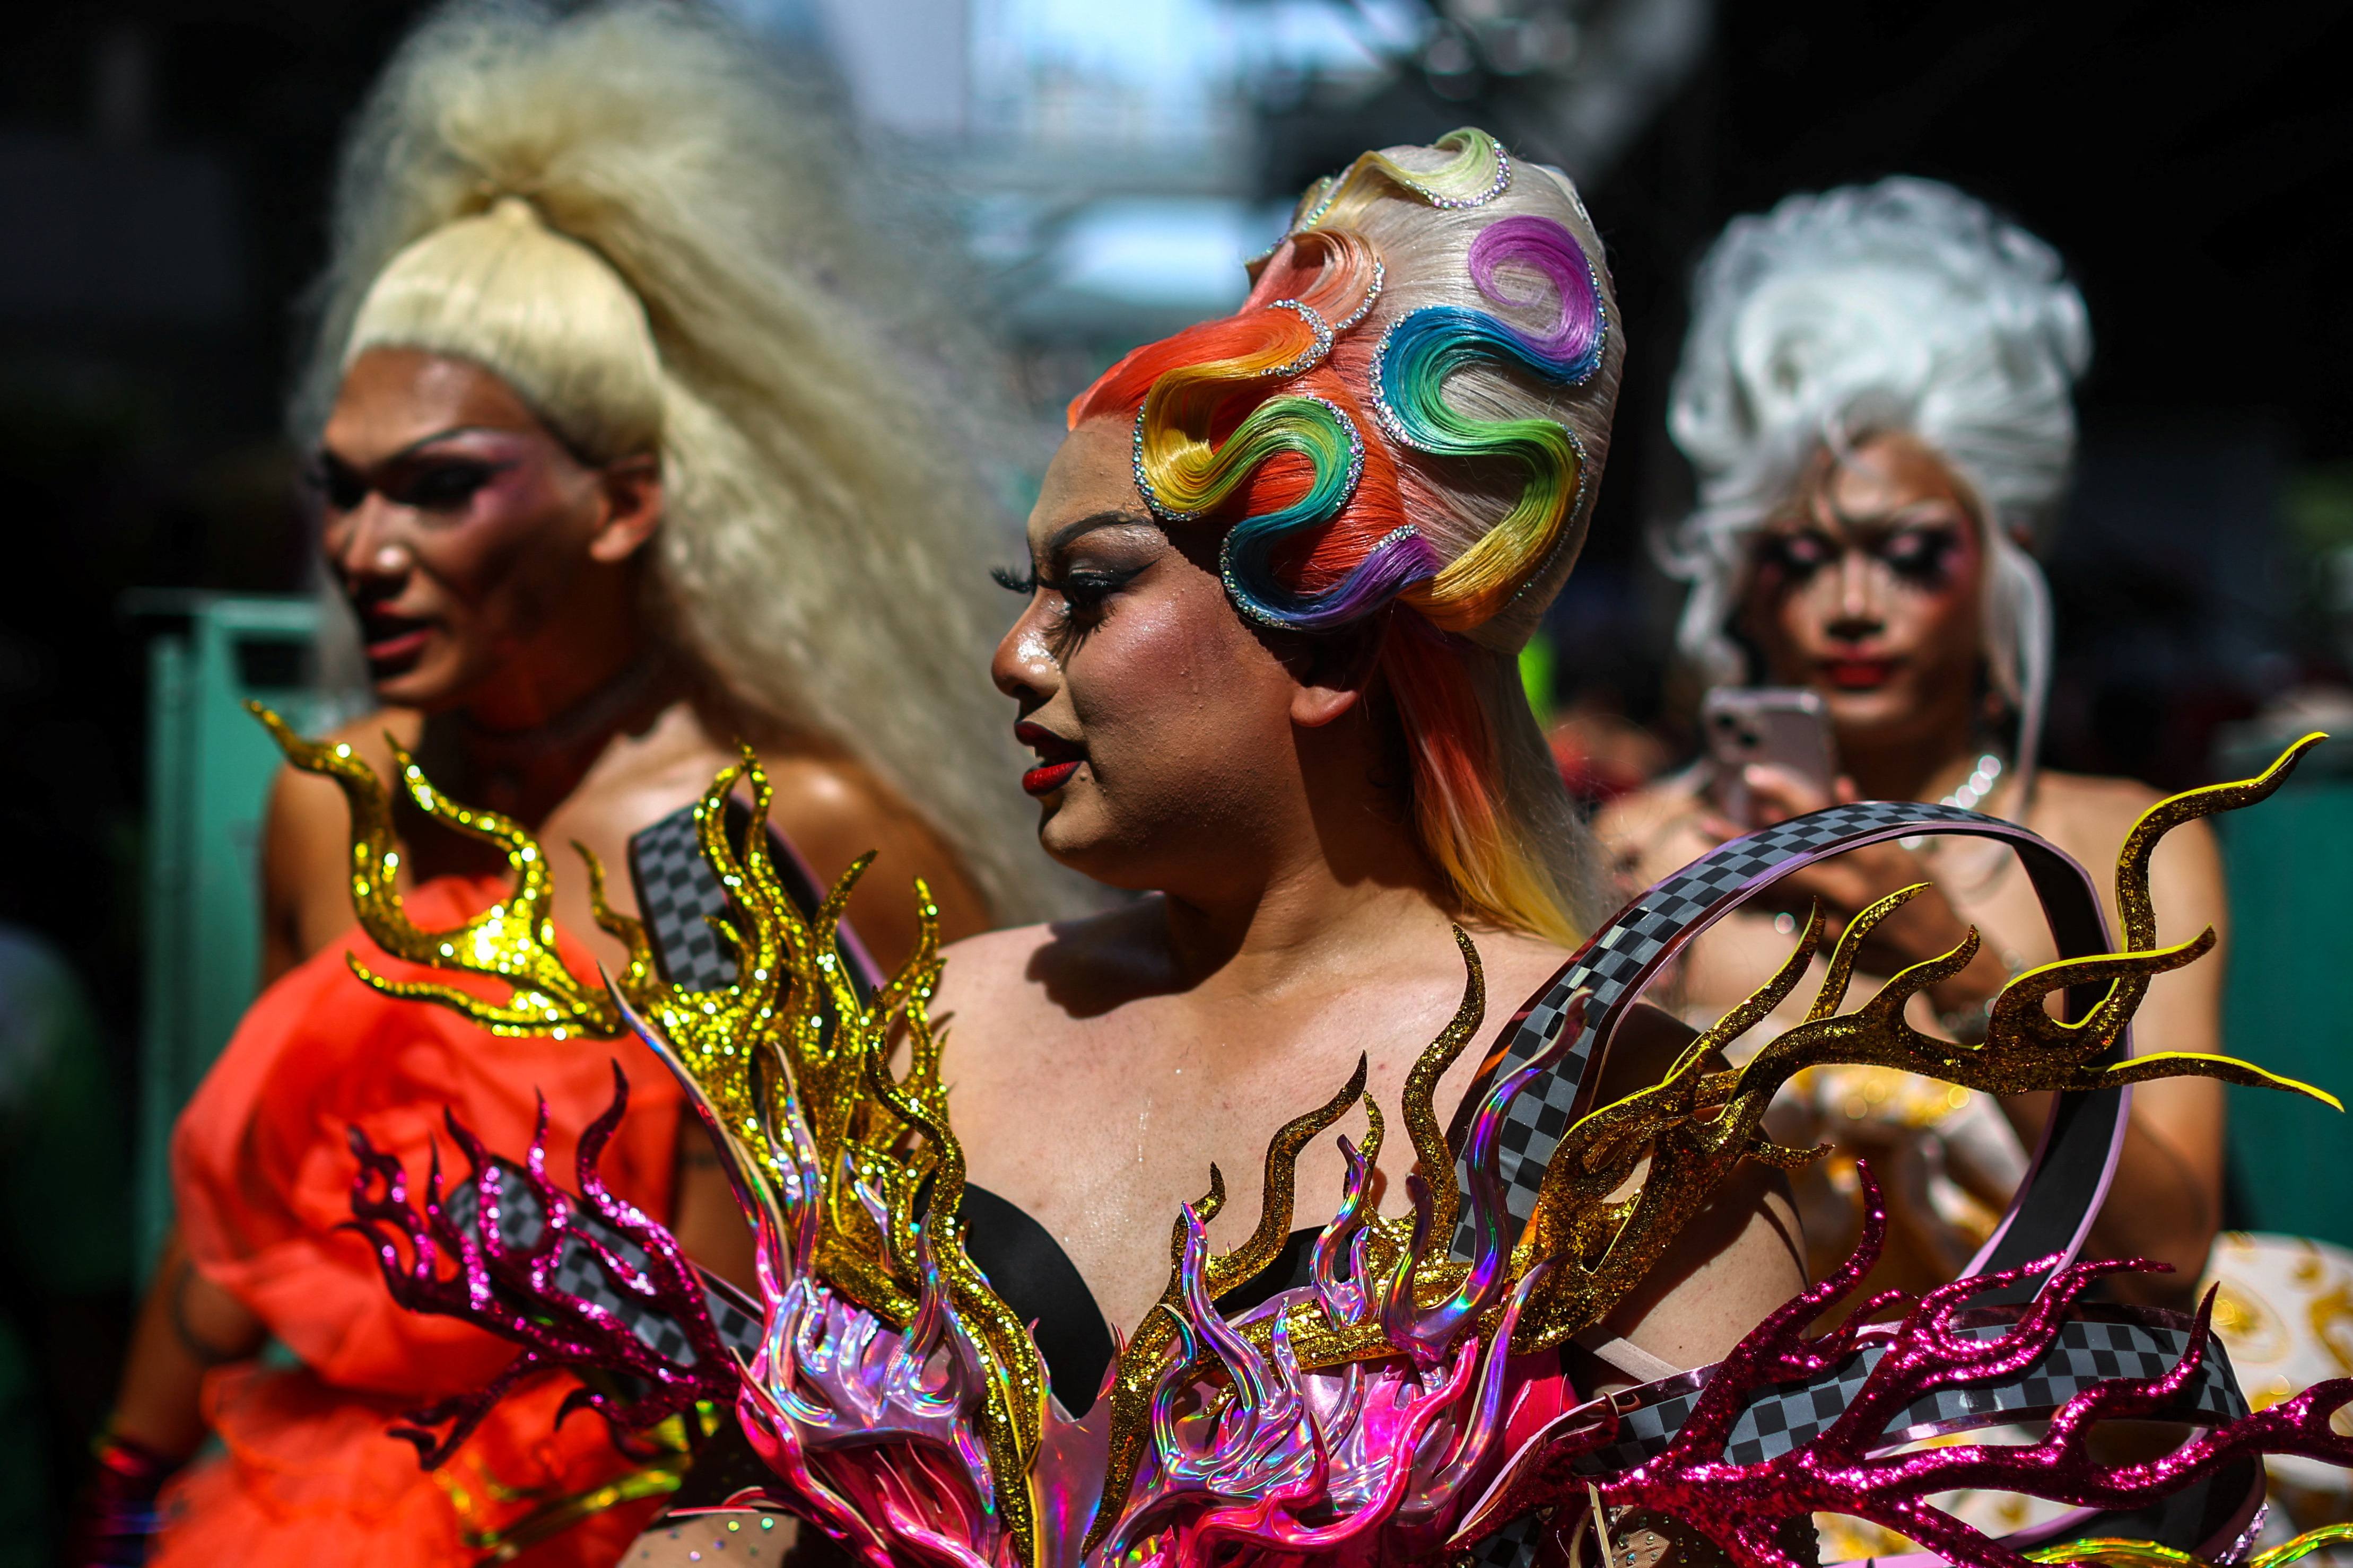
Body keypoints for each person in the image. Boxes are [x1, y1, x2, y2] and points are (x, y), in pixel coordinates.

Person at [268, 137, 2344, 1568]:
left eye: (1082, 591)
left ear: (1328, 637)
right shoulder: (939, 1019)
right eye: (1024, 586)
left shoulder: (1572, 1084)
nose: (1010, 652)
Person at [79, 4, 1071, 1564]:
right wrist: (126, 1488)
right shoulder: (338, 805)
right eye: (341, 489)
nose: (364, 551)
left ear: (625, 504)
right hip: (289, 1506)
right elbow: (240, 1215)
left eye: (442, 486)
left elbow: (828, 1334)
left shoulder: (746, 843)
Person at [1597, 180, 2229, 1549]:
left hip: (2061, 1474)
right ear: (1739, 584)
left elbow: (2169, 1257)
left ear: (1998, 561)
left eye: (1906, 553)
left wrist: (1972, 984)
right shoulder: (1645, 855)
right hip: (1734, 1484)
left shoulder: (2123, 841)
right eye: (1799, 555)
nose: (1849, 603)